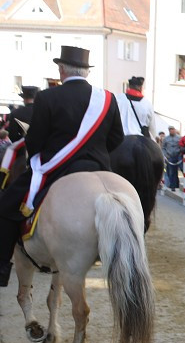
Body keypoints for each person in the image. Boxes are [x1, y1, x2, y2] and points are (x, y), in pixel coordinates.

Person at [0, 46, 125, 286]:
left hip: (57, 169)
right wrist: (96, 154)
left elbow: (34, 140)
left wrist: (39, 160)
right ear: (86, 72)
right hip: (98, 168)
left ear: (61, 70)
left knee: (6, 205)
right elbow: (117, 138)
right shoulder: (108, 98)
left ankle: (3, 266)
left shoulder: (47, 97)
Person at [162, 125, 182, 189]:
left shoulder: (179, 138)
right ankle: (172, 185)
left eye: (173, 129)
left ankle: (177, 184)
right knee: (171, 171)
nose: (172, 131)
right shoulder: (166, 138)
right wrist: (165, 155)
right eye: (170, 130)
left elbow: (182, 145)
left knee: (180, 170)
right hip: (170, 156)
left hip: (178, 156)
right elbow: (163, 148)